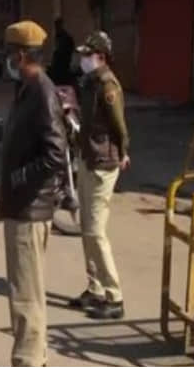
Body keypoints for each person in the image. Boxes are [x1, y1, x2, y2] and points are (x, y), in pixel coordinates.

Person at [0, 20, 71, 367]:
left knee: (25, 295)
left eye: (11, 53)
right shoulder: (27, 88)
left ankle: (27, 360)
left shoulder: (41, 90)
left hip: (29, 208)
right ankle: (37, 357)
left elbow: (56, 153)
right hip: (20, 206)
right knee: (29, 291)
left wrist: (17, 178)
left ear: (22, 54)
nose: (8, 59)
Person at [71, 31, 130, 320]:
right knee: (86, 228)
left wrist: (123, 151)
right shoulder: (91, 82)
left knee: (95, 231)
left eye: (87, 54)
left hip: (103, 163)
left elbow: (119, 125)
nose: (83, 59)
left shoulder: (108, 85)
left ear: (101, 57)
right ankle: (94, 288)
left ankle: (114, 295)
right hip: (87, 157)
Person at [50, 18, 76, 86]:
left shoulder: (65, 37)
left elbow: (67, 51)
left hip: (63, 66)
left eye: (58, 25)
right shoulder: (58, 36)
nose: (56, 28)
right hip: (59, 66)